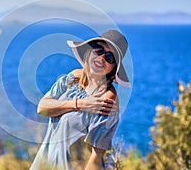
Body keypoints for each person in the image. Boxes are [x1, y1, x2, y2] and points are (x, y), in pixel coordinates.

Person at [30, 30, 131, 170]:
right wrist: (80, 104)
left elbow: (95, 158)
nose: (101, 58)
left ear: (114, 68)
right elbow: (42, 107)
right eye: (99, 50)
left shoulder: (107, 101)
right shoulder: (72, 78)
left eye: (110, 57)